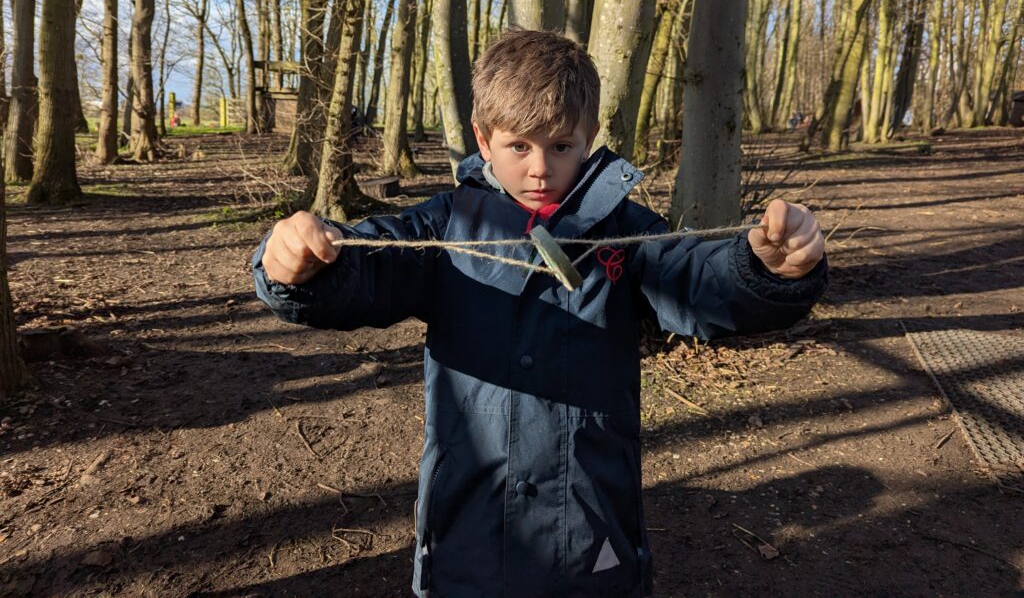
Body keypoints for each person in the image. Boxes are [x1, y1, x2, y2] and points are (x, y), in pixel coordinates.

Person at [253, 29, 827, 596]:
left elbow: (696, 278)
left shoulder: (624, 233)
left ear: (590, 137)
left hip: (591, 533)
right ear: (483, 138)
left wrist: (764, 268)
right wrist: (300, 265)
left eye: (560, 146)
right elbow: (369, 264)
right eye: (519, 146)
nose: (539, 169)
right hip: (469, 537)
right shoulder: (446, 229)